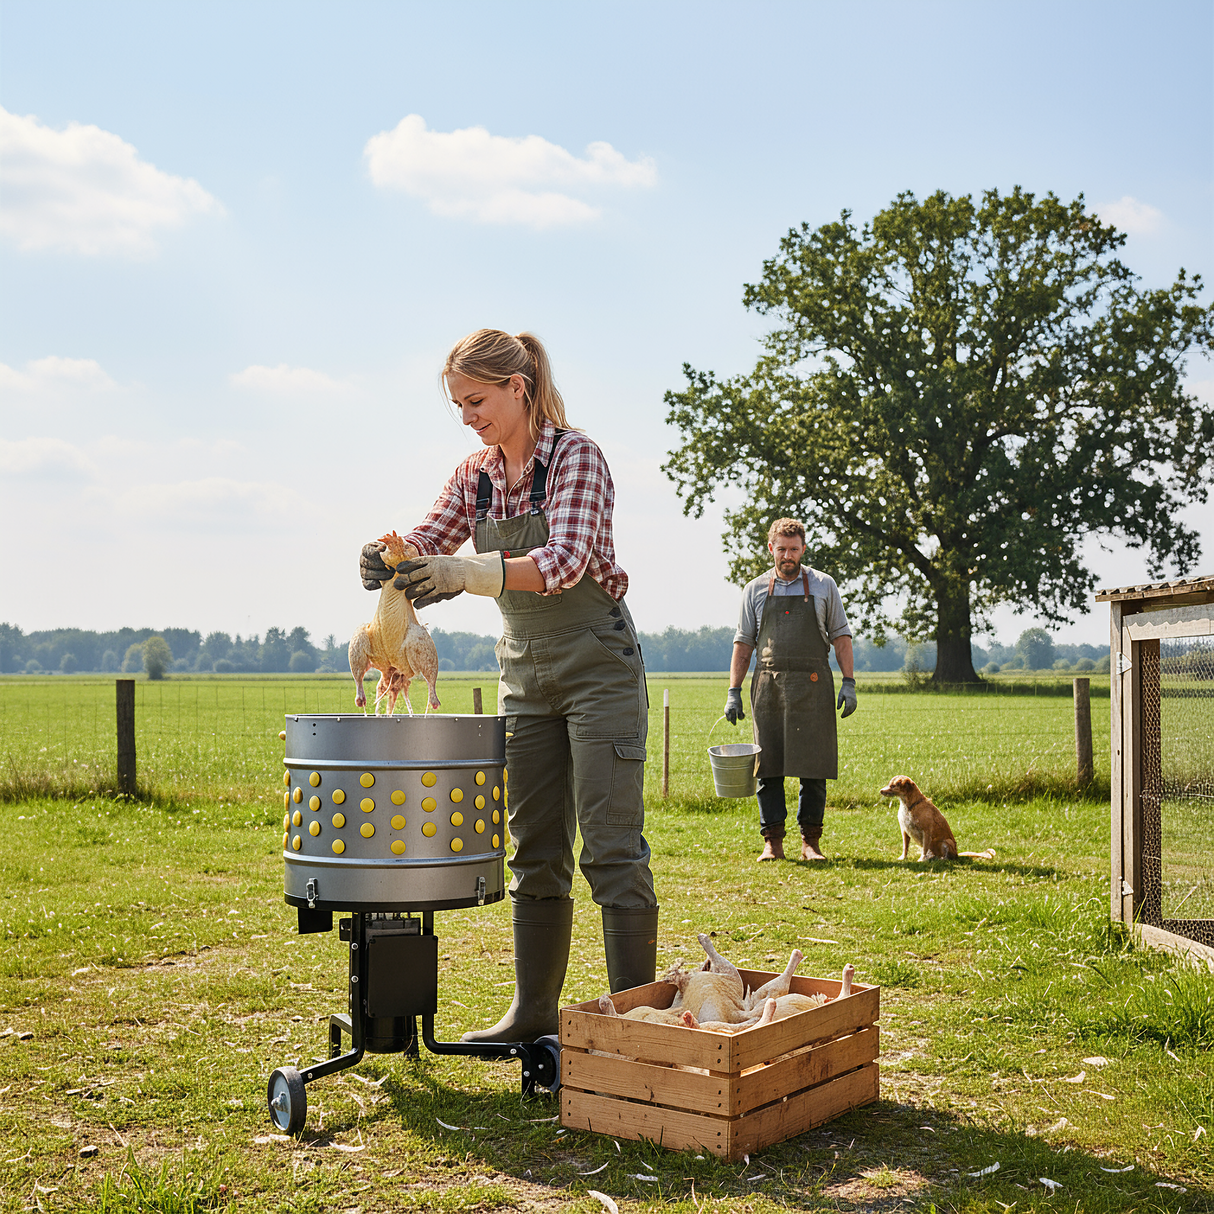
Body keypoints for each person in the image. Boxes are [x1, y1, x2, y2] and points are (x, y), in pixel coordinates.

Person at [359, 329, 658, 1043]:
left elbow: (566, 560)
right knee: (532, 847)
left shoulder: (575, 458)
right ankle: (531, 1015)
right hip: (524, 671)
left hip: (598, 666)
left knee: (610, 845)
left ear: (517, 388)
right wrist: (387, 559)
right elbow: (432, 539)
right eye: (458, 404)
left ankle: (637, 1029)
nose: (467, 415)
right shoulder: (476, 475)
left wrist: (472, 573)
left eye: (477, 400)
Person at [723, 518, 857, 862]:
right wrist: (733, 691)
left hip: (814, 686)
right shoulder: (754, 590)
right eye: (781, 549)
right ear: (771, 549)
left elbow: (841, 637)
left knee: (813, 768)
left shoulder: (824, 586)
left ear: (803, 549)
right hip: (768, 687)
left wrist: (849, 682)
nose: (787, 556)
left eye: (794, 549)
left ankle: (811, 842)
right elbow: (743, 644)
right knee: (768, 769)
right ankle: (773, 842)